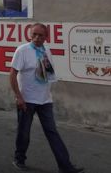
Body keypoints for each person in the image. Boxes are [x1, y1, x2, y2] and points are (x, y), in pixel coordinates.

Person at [10, 24, 84, 173]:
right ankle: (19, 158)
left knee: (52, 132)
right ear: (30, 34)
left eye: (41, 35)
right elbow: (12, 74)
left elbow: (48, 73)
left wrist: (48, 94)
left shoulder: (46, 50)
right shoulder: (22, 50)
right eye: (34, 34)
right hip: (27, 100)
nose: (37, 38)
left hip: (45, 100)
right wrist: (19, 97)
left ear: (46, 37)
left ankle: (65, 166)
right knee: (24, 133)